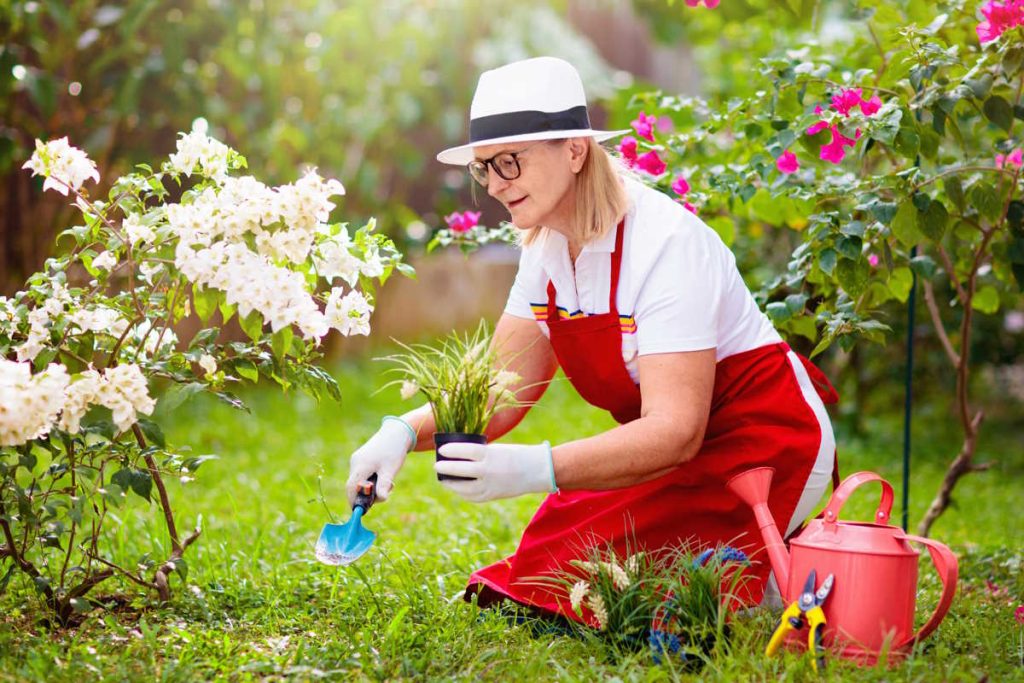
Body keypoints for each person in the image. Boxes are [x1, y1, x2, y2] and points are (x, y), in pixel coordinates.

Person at [346, 56, 838, 619]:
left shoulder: (667, 245)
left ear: (575, 150)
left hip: (763, 445)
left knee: (635, 599)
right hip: (671, 455)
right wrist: (400, 434)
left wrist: (535, 468)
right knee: (547, 563)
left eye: (511, 161)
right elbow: (500, 390)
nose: (498, 186)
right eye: (485, 168)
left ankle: (783, 571)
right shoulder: (544, 248)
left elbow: (676, 430)